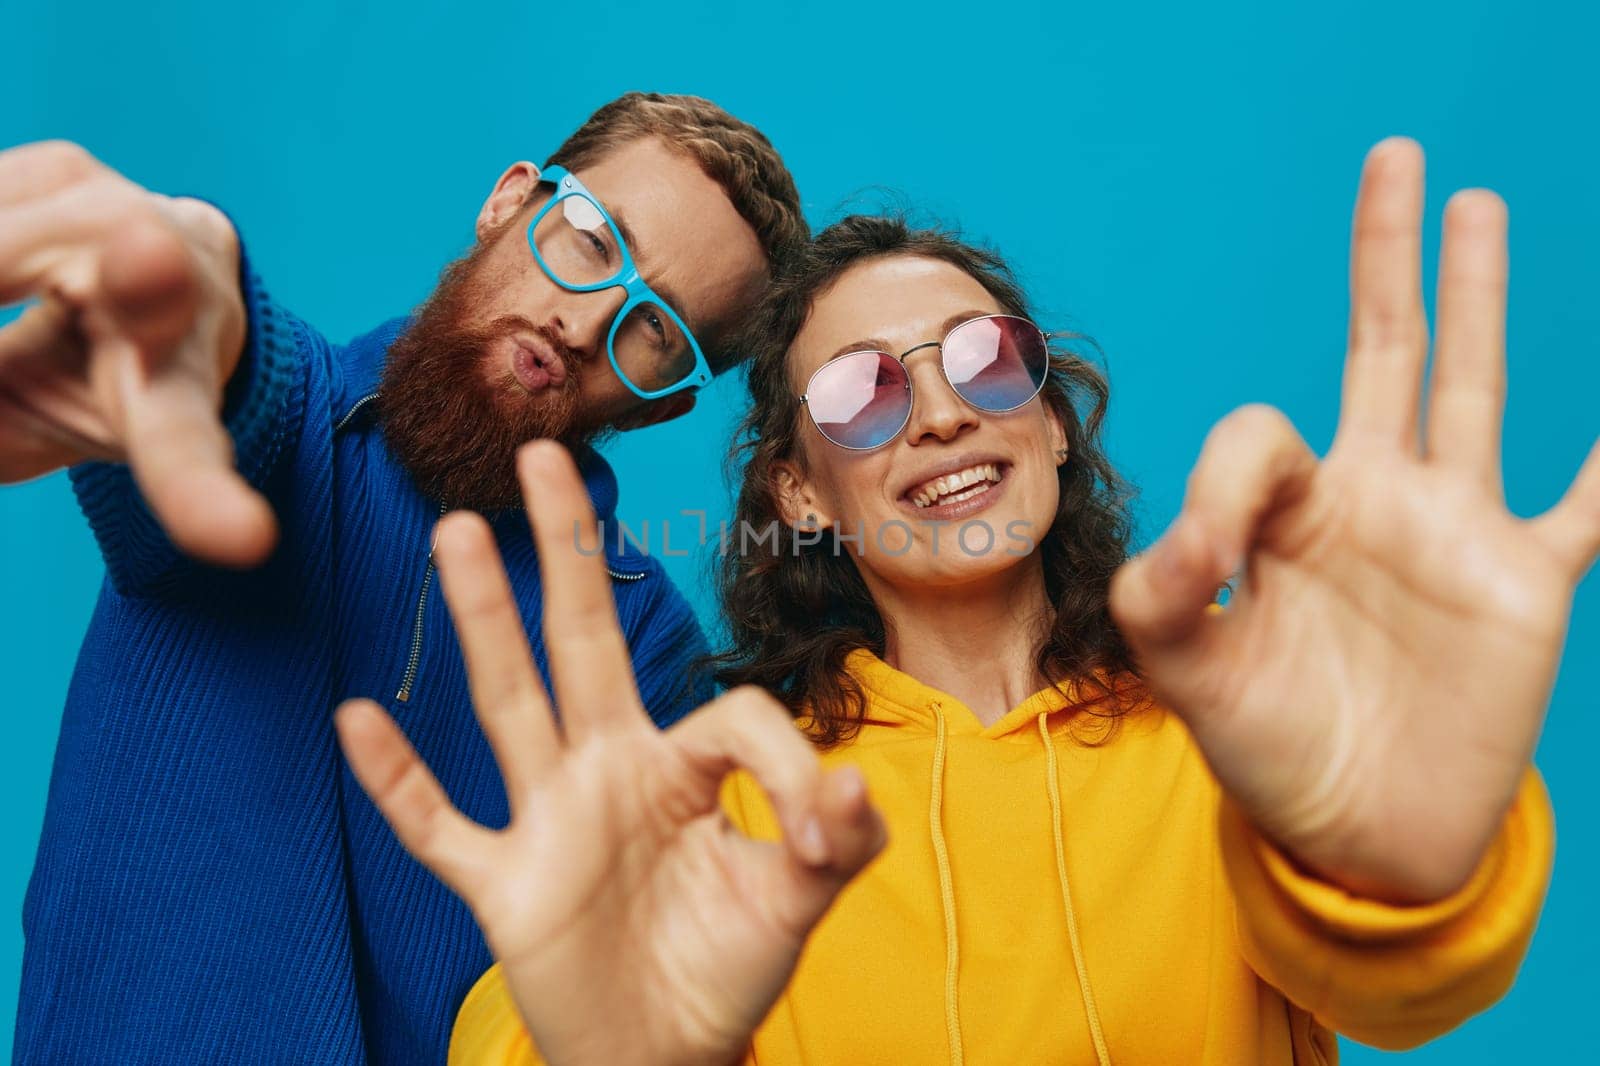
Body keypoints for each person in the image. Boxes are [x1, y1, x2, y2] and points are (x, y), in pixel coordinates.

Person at [338, 137, 1599, 1064]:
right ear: (802, 488)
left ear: (1050, 424)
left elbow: (1397, 985)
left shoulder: (1241, 727)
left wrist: (1410, 865)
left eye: (988, 362)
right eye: (858, 394)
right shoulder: (741, 806)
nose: (941, 411)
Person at [0, 93, 808, 1063]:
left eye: (658, 330)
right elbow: (237, 389)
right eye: (592, 238)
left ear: (667, 402)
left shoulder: (645, 651)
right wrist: (190, 317)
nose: (586, 319)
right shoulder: (291, 417)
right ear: (510, 201)